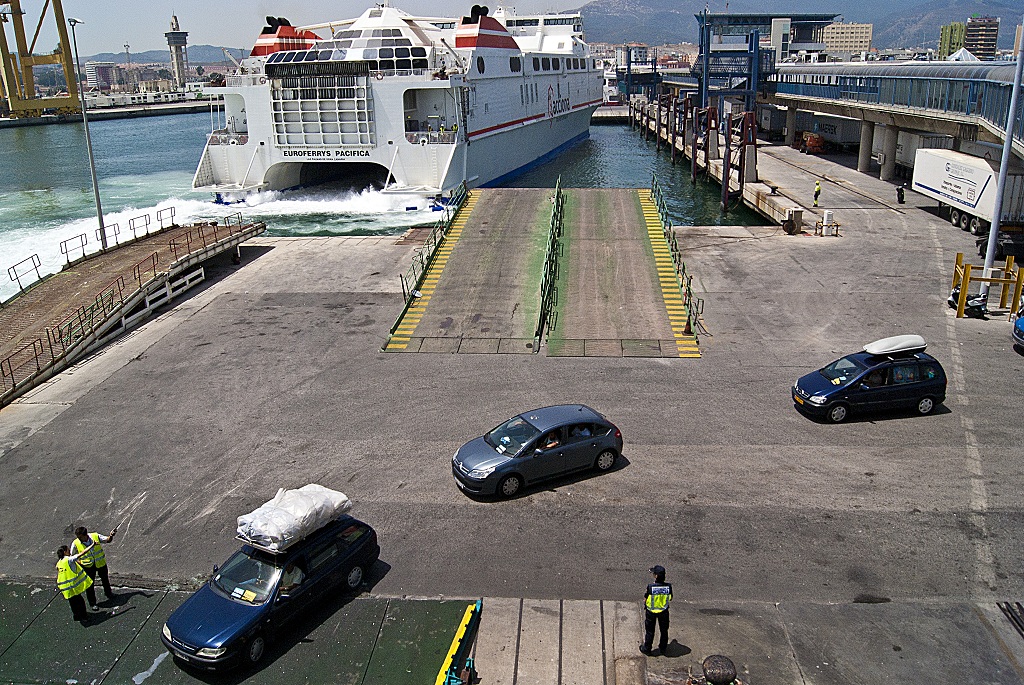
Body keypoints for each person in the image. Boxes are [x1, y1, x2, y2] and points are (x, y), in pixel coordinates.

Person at [56, 542, 97, 622]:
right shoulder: (69, 559)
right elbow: (82, 553)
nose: (69, 552)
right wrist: (92, 545)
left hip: (66, 588)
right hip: (73, 586)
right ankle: (84, 616)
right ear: (65, 552)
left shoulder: (59, 563)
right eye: (68, 550)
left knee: (73, 603)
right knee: (80, 602)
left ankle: (77, 616)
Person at [73, 525, 117, 600]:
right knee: (89, 585)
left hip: (100, 563)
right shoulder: (75, 543)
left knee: (105, 580)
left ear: (85, 535)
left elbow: (107, 540)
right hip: (88, 566)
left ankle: (109, 593)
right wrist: (80, 562)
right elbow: (72, 556)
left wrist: (111, 535)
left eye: (80, 537)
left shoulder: (95, 536)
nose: (79, 539)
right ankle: (92, 603)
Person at [640, 564, 672, 655]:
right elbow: (670, 598)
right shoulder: (668, 587)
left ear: (656, 576)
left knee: (650, 632)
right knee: (664, 631)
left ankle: (647, 648)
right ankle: (663, 648)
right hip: (664, 612)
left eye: (654, 573)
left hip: (651, 613)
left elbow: (646, 598)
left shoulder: (651, 587)